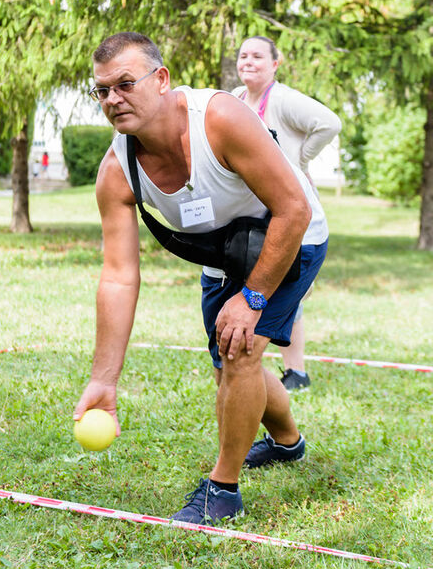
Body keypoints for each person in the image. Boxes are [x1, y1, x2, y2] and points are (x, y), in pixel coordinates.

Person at [73, 31, 329, 525]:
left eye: (125, 83)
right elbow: (119, 276)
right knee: (229, 364)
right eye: (101, 90)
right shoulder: (117, 170)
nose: (112, 99)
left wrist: (253, 297)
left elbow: (293, 210)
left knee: (240, 350)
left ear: (161, 79)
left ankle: (223, 490)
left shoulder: (219, 119)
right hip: (228, 248)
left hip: (293, 234)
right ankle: (288, 443)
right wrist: (104, 379)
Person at [233, 36, 341, 392]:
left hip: (291, 212)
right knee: (271, 286)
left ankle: (295, 372)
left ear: (275, 64)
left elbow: (329, 123)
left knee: (288, 290)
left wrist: (299, 161)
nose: (249, 61)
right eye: (243, 55)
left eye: (258, 56)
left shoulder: (282, 99)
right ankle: (287, 370)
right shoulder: (235, 99)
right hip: (255, 215)